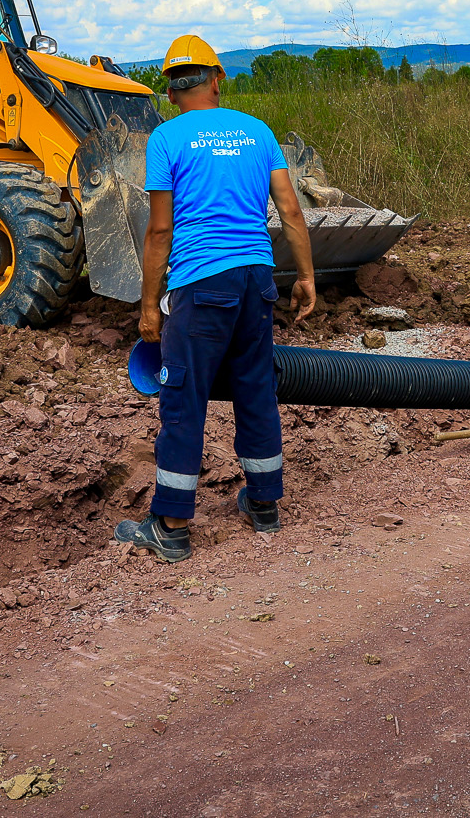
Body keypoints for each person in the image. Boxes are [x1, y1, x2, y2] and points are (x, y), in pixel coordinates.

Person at [114, 36, 315, 562]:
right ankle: (265, 505)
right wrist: (307, 277)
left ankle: (173, 525)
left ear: (169, 87)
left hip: (202, 284)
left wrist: (147, 308)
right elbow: (291, 212)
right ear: (217, 78)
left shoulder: (166, 139)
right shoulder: (258, 132)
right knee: (255, 386)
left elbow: (160, 232)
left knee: (183, 398)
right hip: (257, 279)